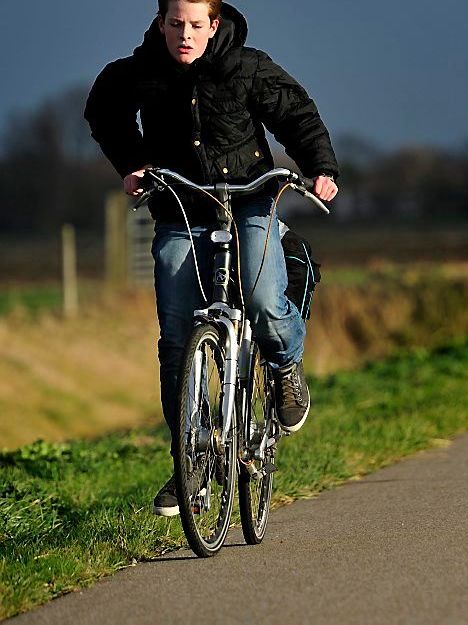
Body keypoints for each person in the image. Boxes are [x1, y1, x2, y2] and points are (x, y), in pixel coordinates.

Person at [84, 0, 338, 516]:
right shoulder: (140, 72)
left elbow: (297, 113)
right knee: (177, 333)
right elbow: (103, 110)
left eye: (196, 24)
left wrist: (319, 169)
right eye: (175, 23)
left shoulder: (245, 66)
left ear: (214, 24)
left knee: (264, 297)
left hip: (250, 198)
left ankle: (287, 368)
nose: (185, 34)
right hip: (182, 206)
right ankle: (188, 465)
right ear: (161, 23)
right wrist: (131, 163)